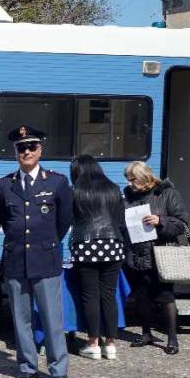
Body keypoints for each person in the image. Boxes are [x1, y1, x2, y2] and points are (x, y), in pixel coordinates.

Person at [0, 125, 73, 378]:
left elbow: (63, 221)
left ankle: (58, 369)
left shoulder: (57, 182)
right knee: (21, 319)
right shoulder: (5, 185)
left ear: (40, 150)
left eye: (31, 147)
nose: (26, 152)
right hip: (16, 261)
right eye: (21, 148)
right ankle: (27, 366)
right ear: (15, 152)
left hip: (45, 261)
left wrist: (47, 244)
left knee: (52, 319)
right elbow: (2, 221)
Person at [122, 161, 189, 355]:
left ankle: (172, 338)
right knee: (141, 296)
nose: (130, 183)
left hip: (159, 253)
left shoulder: (167, 193)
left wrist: (161, 221)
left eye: (133, 179)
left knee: (165, 296)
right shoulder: (128, 196)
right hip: (135, 253)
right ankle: (146, 334)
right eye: (129, 179)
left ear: (145, 178)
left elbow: (182, 222)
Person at [70, 155, 126, 361]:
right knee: (109, 295)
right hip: (114, 244)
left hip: (86, 245)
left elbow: (71, 219)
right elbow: (121, 220)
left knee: (90, 296)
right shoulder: (113, 189)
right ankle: (110, 344)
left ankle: (93, 342)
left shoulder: (76, 191)